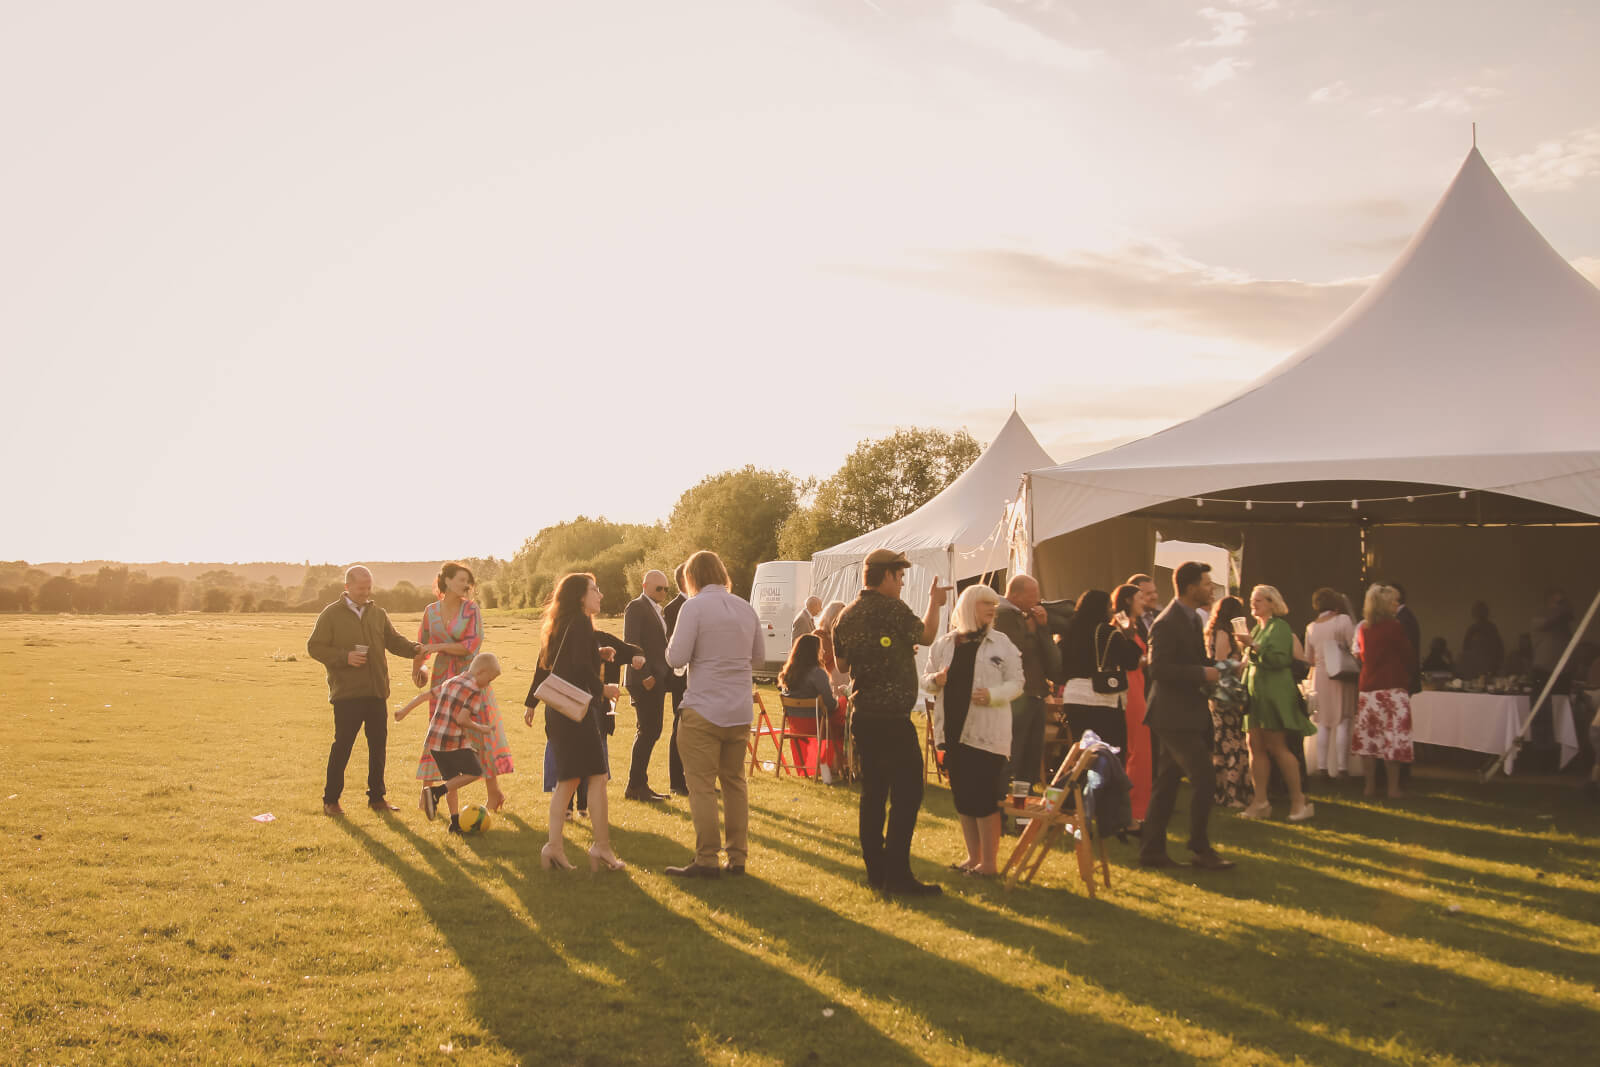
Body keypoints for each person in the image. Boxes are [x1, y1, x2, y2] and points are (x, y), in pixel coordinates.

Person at [833, 548, 950, 897]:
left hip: (864, 717)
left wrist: (890, 651)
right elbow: (926, 635)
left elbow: (842, 665)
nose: (901, 584)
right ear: (885, 575)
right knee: (908, 793)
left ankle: (876, 872)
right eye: (899, 577)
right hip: (893, 720)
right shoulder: (893, 609)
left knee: (873, 794)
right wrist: (935, 603)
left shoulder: (847, 615)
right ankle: (898, 874)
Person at [664, 550, 764, 879]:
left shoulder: (693, 607)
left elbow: (676, 657)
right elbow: (759, 658)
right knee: (735, 783)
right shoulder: (745, 607)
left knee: (702, 786)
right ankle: (737, 857)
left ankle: (707, 857)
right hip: (739, 708)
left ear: (691, 577)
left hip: (704, 707)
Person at [523, 573, 630, 872]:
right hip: (577, 713)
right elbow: (580, 667)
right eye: (595, 589)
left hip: (559, 712)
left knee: (568, 780)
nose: (600, 595)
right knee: (597, 776)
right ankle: (601, 848)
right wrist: (602, 689)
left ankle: (554, 847)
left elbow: (557, 663)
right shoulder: (581, 622)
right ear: (580, 597)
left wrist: (597, 653)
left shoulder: (561, 624)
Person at [306, 565, 428, 816]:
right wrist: (345, 657)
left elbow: (393, 641)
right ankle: (331, 801)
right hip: (347, 694)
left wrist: (414, 649)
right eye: (361, 588)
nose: (365, 592)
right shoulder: (331, 614)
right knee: (343, 746)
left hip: (376, 692)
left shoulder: (378, 613)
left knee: (378, 748)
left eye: (368, 588)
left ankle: (377, 798)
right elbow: (315, 647)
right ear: (347, 587)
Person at [1139, 561, 1235, 871]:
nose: (1211, 589)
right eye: (1206, 584)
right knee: (1204, 778)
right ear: (1191, 587)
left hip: (1184, 713)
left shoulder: (1191, 617)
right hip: (1172, 715)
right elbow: (1159, 669)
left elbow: (1195, 660)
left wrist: (1223, 667)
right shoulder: (1167, 622)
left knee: (1166, 784)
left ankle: (1152, 851)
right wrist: (1203, 673)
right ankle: (1199, 848)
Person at [924, 585, 1023, 877]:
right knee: (963, 797)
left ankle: (989, 863)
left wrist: (993, 695)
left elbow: (1017, 683)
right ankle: (973, 858)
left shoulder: (1001, 643)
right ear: (968, 607)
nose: (992, 609)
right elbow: (925, 679)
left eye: (994, 604)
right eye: (985, 604)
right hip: (953, 731)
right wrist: (936, 680)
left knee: (983, 798)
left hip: (987, 732)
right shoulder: (945, 644)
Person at [412, 563, 512, 813]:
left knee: (479, 735)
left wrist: (438, 647)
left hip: (472, 679)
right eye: (460, 579)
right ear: (446, 581)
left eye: (468, 581)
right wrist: (419, 669)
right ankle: (427, 795)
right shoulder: (430, 611)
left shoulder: (471, 610)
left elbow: (471, 645)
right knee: (438, 733)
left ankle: (494, 793)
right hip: (442, 679)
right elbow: (421, 647)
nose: (465, 585)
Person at [394, 653, 500, 834]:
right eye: (489, 680)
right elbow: (462, 719)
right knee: (475, 772)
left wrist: (404, 711)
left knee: (453, 781)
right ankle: (435, 793)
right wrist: (481, 728)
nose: (488, 684)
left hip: (434, 742)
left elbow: (425, 696)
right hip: (451, 742)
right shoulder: (474, 691)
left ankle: (455, 822)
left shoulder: (451, 682)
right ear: (481, 672)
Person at [1237, 585, 1317, 821]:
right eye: (1252, 600)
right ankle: (1260, 801)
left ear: (1272, 603)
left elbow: (1279, 660)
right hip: (1256, 695)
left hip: (1274, 694)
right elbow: (1251, 661)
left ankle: (1299, 801)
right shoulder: (1258, 629)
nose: (1253, 604)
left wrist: (1252, 645)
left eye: (1259, 600)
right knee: (1255, 746)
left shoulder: (1279, 627)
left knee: (1277, 746)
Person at [991, 574, 1062, 792]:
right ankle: (1002, 800)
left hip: (1035, 692)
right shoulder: (1004, 614)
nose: (1037, 600)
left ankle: (1023, 801)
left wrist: (1042, 628)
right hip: (1018, 695)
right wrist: (1034, 630)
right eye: (1033, 595)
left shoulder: (1023, 616)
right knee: (1014, 751)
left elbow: (1049, 658)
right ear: (1016, 595)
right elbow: (1014, 650)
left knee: (1032, 754)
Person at [1058, 589, 1142, 752]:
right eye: (1109, 605)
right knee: (1109, 753)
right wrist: (1130, 637)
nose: (1112, 610)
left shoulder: (1068, 633)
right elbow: (1131, 662)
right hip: (1101, 700)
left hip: (1073, 698)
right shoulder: (1108, 632)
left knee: (1083, 755)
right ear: (1099, 608)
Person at [1352, 584, 1416, 800]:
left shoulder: (1363, 629)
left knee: (1369, 740)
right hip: (1392, 687)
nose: (1397, 604)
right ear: (1384, 605)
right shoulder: (1394, 627)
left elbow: (1362, 656)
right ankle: (1393, 788)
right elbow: (1407, 654)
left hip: (1368, 689)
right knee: (1392, 738)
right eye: (1393, 601)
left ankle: (1369, 787)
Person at [623, 570, 674, 802]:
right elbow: (632, 642)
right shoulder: (636, 607)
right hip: (644, 679)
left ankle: (639, 784)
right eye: (658, 588)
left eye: (666, 589)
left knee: (652, 730)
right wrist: (645, 675)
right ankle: (635, 786)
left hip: (656, 677)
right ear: (645, 586)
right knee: (648, 731)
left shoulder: (656, 609)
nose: (663, 592)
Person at [1204, 595, 1253, 808]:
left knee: (1227, 740)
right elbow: (1221, 663)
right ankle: (1232, 793)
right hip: (1225, 694)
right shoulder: (1223, 633)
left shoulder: (1215, 631)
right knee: (1231, 742)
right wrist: (1240, 664)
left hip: (1222, 694)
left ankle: (1226, 790)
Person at [1305, 587, 1357, 780]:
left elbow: (1308, 658)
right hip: (1342, 673)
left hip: (1320, 676)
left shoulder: (1311, 627)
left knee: (1323, 723)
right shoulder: (1343, 620)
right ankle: (1343, 768)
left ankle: (1322, 767)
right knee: (1343, 720)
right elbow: (1354, 645)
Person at [1111, 582, 1153, 823]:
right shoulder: (1122, 624)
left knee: (1138, 745)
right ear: (1128, 601)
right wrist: (1149, 659)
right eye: (1139, 598)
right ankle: (1136, 806)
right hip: (1129, 686)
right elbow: (1129, 658)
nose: (1144, 602)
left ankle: (1137, 803)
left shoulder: (1131, 625)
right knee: (1138, 745)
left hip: (1137, 684)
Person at [778, 633, 846, 779]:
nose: (823, 651)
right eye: (820, 649)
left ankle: (824, 769)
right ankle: (835, 768)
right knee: (843, 713)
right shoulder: (817, 673)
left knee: (838, 720)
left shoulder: (788, 673)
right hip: (816, 724)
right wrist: (839, 701)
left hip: (795, 726)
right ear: (814, 651)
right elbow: (830, 704)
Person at [663, 563, 691, 796]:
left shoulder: (698, 605)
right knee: (680, 728)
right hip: (681, 678)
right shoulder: (673, 609)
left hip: (699, 678)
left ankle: (695, 778)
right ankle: (677, 781)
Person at [1457, 600, 1505, 681]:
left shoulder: (1491, 628)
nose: (1479, 614)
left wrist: (1496, 665)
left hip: (1489, 665)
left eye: (1481, 611)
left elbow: (1499, 648)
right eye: (1477, 611)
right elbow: (1465, 648)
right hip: (1473, 666)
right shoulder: (1472, 629)